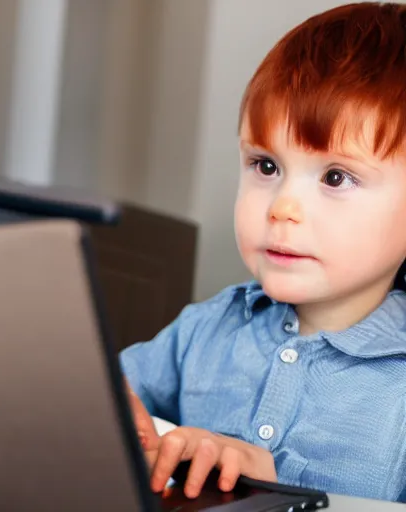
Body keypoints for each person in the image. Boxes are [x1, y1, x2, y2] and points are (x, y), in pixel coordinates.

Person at [120, 2, 406, 503]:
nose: (283, 208)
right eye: (266, 166)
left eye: (336, 177)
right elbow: (100, 390)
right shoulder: (206, 329)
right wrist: (110, 412)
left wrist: (270, 485)